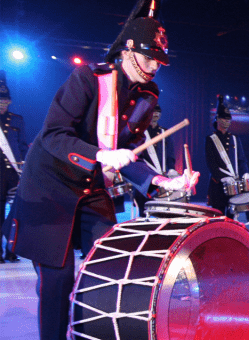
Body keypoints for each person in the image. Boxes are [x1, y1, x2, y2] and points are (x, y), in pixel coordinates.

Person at [7, 2, 199, 338]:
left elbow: (129, 155)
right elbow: (53, 135)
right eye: (148, 56)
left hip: (91, 191)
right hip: (50, 188)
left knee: (110, 266)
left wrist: (164, 181)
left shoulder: (147, 95)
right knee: (58, 278)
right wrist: (100, 156)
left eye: (159, 60)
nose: (154, 66)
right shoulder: (87, 78)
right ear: (127, 51)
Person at [205, 95, 249, 219]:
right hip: (218, 186)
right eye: (224, 119)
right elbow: (211, 164)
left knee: (232, 219)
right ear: (218, 120)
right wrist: (222, 178)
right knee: (218, 217)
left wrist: (245, 173)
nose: (227, 121)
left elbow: (241, 160)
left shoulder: (235, 139)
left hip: (234, 185)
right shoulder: (211, 140)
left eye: (228, 119)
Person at [0, 70, 29, 264]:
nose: (4, 105)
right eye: (1, 102)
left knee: (15, 214)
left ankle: (11, 250)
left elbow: (22, 146)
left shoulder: (16, 120)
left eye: (6, 102)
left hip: (14, 172)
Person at [134, 104, 178, 205]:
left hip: (160, 174)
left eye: (158, 112)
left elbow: (170, 152)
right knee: (143, 207)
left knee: (161, 207)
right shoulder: (141, 132)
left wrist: (171, 168)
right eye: (153, 112)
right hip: (145, 175)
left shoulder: (164, 132)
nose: (156, 114)